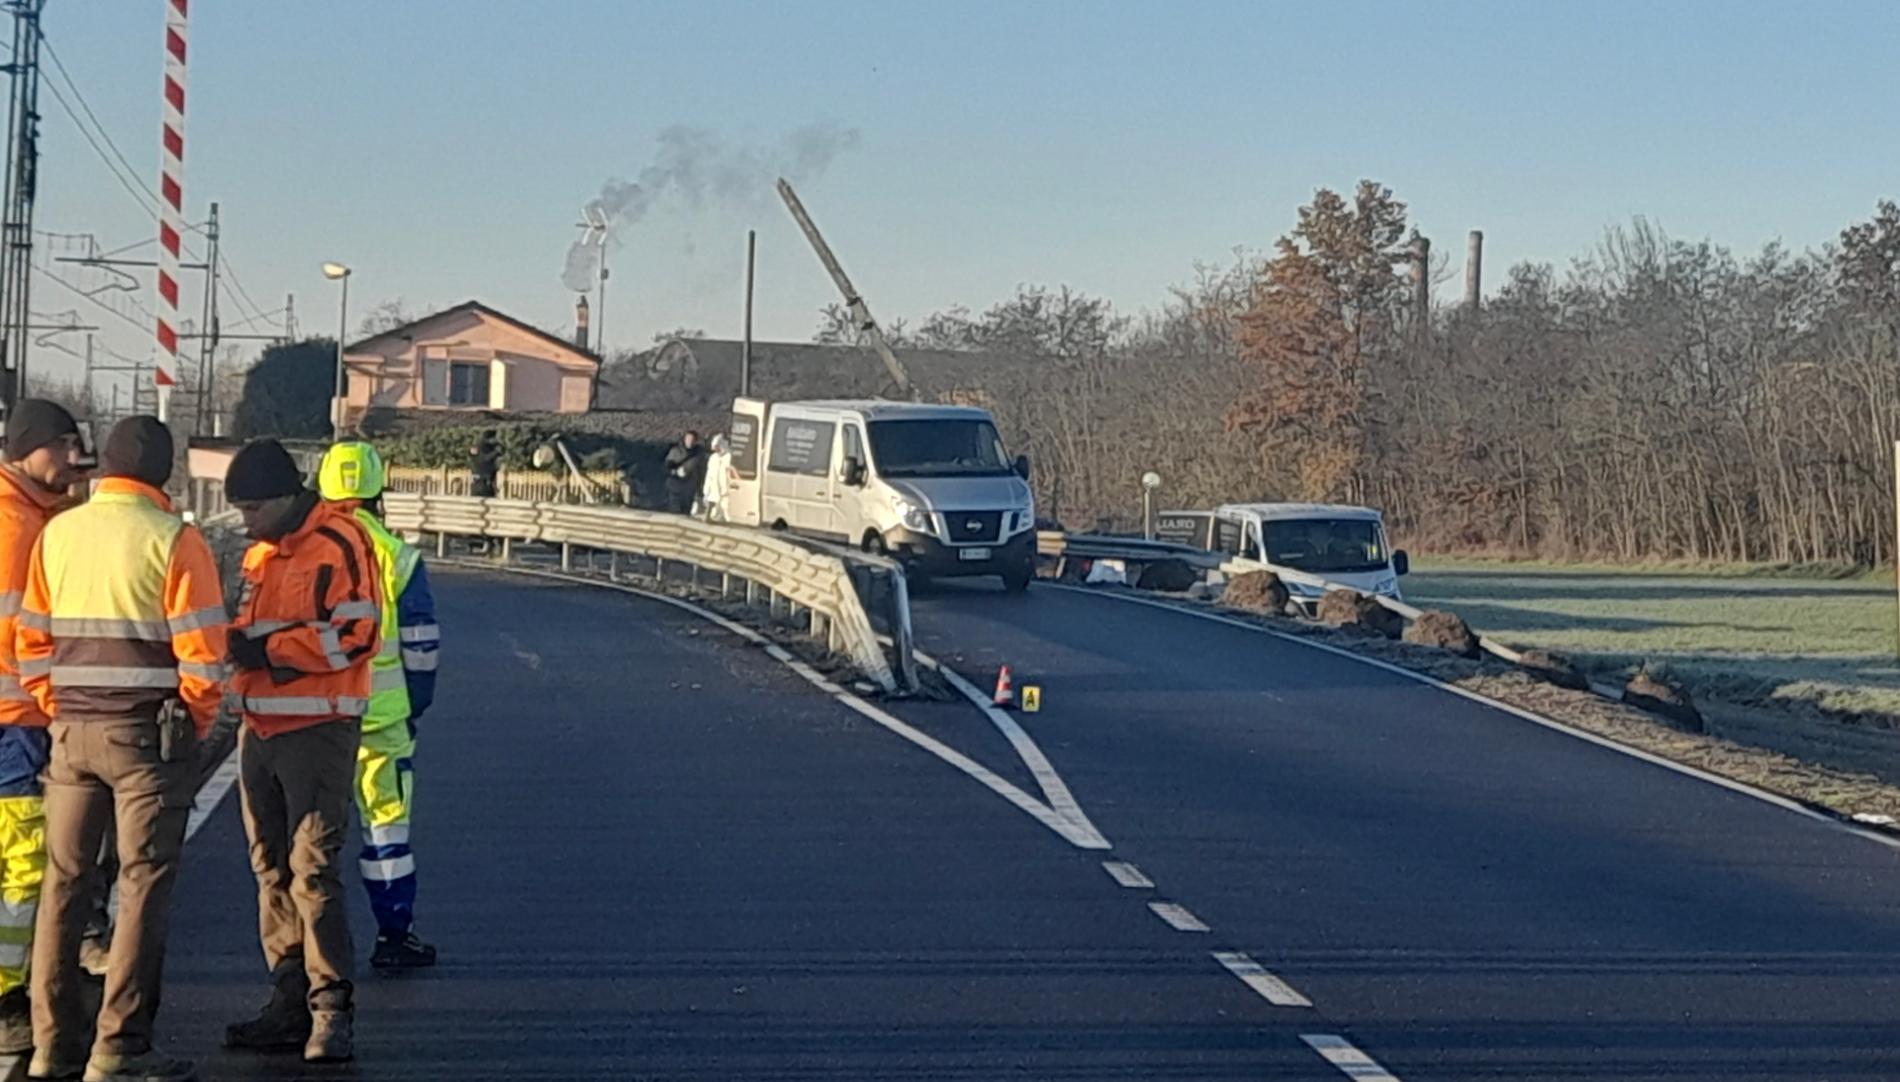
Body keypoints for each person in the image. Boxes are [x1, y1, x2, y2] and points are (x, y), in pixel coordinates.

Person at [18, 416, 226, 1082]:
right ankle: (120, 1047)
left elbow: (30, 642)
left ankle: (52, 1046)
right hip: (146, 738)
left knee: (64, 886)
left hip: (70, 736)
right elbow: (203, 656)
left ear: (102, 465)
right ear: (163, 475)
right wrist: (193, 724)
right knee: (140, 885)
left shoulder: (57, 533)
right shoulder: (175, 540)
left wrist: (60, 709)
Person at [221, 439, 381, 1064]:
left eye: (254, 508)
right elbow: (243, 629)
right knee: (271, 871)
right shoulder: (261, 556)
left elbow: (358, 634)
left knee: (312, 869)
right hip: (259, 727)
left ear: (287, 498)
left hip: (318, 729)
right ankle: (288, 999)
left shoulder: (340, 543)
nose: (245, 522)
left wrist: (274, 653)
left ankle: (330, 1009)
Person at [315, 442, 440, 970]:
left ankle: (310, 946)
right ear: (377, 490)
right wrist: (416, 703)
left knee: (311, 835)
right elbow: (422, 646)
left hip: (316, 717)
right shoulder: (401, 558)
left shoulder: (307, 553)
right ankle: (394, 934)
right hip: (384, 719)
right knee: (386, 826)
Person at [0, 400, 89, 1055]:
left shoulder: (40, 515)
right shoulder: (14, 528)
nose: (74, 457)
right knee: (25, 862)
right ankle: (9, 996)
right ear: (29, 449)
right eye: (63, 445)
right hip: (18, 719)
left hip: (25, 715)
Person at [663, 430, 706, 515]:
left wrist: (700, 489)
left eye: (692, 440)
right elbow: (666, 468)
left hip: (689, 489)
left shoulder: (699, 455)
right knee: (674, 511)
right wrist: (675, 472)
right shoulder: (675, 452)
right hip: (675, 487)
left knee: (686, 512)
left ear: (696, 441)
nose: (690, 442)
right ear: (684, 439)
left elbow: (702, 471)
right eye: (688, 439)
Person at [698, 434, 731, 522]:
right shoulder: (713, 458)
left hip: (723, 486)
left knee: (723, 503)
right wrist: (707, 488)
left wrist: (725, 488)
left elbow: (726, 474)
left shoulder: (727, 457)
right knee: (712, 499)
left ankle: (722, 517)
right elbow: (710, 474)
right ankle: (708, 515)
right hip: (713, 484)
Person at [467, 431, 499, 499]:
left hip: (480, 484)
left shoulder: (477, 454)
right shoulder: (487, 454)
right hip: (484, 485)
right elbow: (485, 459)